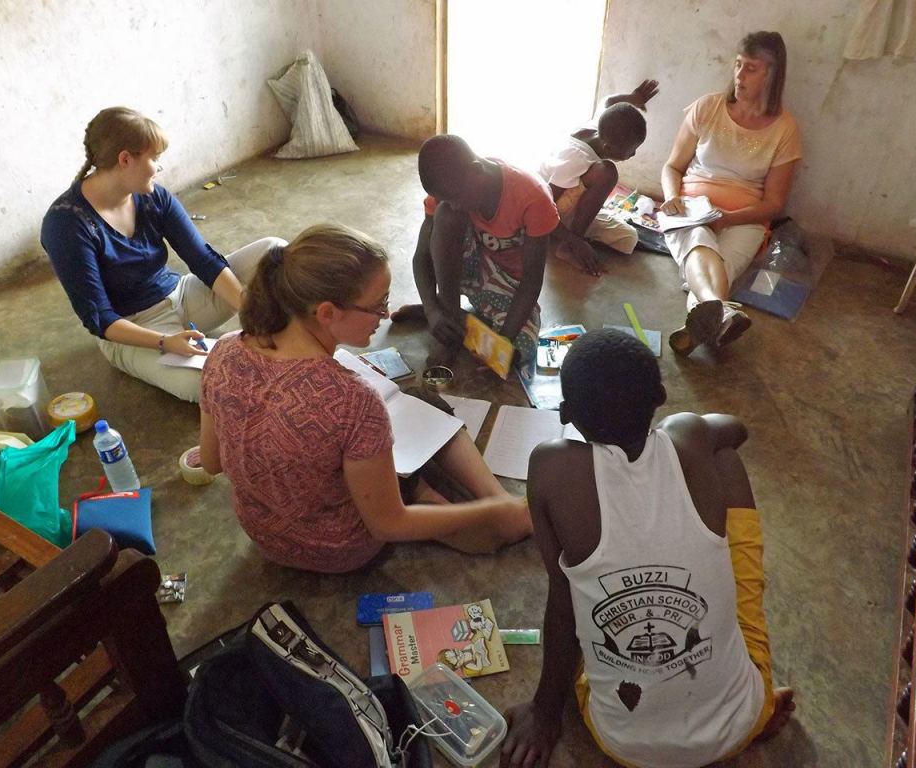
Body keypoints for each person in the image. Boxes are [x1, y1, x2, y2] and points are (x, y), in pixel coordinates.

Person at [500, 328, 795, 768]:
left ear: (566, 414)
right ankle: (758, 709)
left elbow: (565, 605)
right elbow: (737, 430)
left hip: (623, 744)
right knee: (725, 460)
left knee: (577, 593)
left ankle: (732, 709)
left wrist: (545, 712)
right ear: (660, 395)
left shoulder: (551, 467)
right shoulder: (688, 434)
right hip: (742, 722)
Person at [198, 223, 532, 574]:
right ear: (327, 312)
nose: (385, 315)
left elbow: (211, 461)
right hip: (340, 549)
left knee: (390, 420)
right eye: (377, 305)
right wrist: (491, 514)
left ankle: (451, 500)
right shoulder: (353, 401)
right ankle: (495, 506)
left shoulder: (224, 350)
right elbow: (387, 525)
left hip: (265, 537)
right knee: (422, 409)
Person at [41, 106, 283, 402]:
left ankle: (289, 335)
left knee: (274, 251)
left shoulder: (154, 197)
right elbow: (99, 318)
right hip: (134, 329)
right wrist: (166, 342)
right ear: (125, 159)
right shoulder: (66, 224)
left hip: (181, 296)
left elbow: (203, 260)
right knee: (209, 385)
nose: (158, 168)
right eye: (154, 159)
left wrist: (249, 311)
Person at [660, 31, 802, 356]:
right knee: (697, 243)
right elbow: (672, 167)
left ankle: (701, 322)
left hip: (746, 219)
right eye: (738, 65)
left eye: (751, 68)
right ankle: (719, 310)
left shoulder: (784, 129)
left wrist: (729, 219)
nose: (739, 75)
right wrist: (672, 196)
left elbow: (775, 203)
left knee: (721, 268)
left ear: (772, 74)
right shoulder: (709, 107)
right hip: (692, 209)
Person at [390, 134, 560, 373]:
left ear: (476, 171)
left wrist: (502, 344)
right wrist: (432, 308)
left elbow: (532, 279)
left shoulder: (532, 196)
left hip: (510, 284)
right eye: (445, 198)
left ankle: (452, 319)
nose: (455, 204)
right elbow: (421, 257)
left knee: (519, 352)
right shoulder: (447, 193)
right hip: (466, 269)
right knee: (447, 216)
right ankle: (445, 313)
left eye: (456, 197)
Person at [538, 80, 658, 276]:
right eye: (631, 150)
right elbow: (542, 206)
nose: (634, 154)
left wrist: (634, 98)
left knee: (628, 239)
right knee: (607, 172)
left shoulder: (599, 127)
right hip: (544, 211)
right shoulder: (576, 158)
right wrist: (574, 240)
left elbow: (608, 101)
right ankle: (569, 246)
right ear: (609, 148)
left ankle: (576, 236)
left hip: (562, 207)